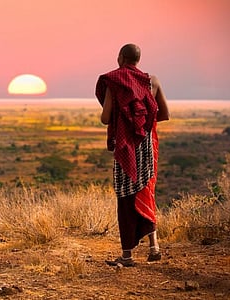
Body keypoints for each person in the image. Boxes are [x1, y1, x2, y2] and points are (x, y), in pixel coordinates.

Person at [95, 44, 170, 267]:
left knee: (126, 199)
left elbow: (105, 118)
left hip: (125, 148)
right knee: (145, 192)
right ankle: (154, 246)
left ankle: (127, 256)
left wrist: (122, 116)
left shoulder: (114, 81)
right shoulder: (152, 81)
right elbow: (164, 113)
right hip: (145, 146)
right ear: (138, 59)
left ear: (120, 58)